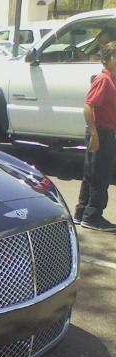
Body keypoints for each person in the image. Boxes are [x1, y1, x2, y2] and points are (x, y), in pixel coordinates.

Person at [74, 41, 116, 232]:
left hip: (106, 131)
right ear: (106, 60)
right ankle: (93, 216)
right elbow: (88, 105)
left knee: (92, 173)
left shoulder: (112, 79)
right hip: (101, 132)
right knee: (100, 175)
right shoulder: (104, 80)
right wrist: (94, 134)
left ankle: (81, 213)